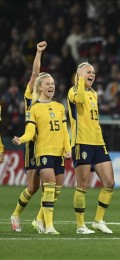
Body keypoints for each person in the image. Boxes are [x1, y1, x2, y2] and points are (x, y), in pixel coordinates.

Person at [12, 72, 71, 235]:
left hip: (59, 153)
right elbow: (30, 131)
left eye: (52, 83)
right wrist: (22, 140)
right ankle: (49, 226)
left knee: (57, 189)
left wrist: (68, 148)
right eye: (47, 83)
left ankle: (39, 220)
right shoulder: (34, 108)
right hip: (43, 152)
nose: (51, 86)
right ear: (39, 87)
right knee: (47, 186)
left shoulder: (60, 107)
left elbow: (65, 131)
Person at [67, 62, 115, 234]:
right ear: (79, 74)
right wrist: (80, 81)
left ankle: (98, 220)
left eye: (93, 72)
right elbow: (79, 99)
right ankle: (80, 225)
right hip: (82, 143)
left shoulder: (94, 94)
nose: (92, 75)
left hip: (98, 143)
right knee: (83, 184)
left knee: (109, 182)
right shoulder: (73, 91)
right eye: (88, 72)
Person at [10, 41, 46, 232]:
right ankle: (16, 214)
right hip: (33, 144)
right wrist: (38, 53)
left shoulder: (49, 101)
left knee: (52, 186)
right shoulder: (30, 97)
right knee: (32, 188)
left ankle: (40, 219)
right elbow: (35, 73)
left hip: (49, 143)